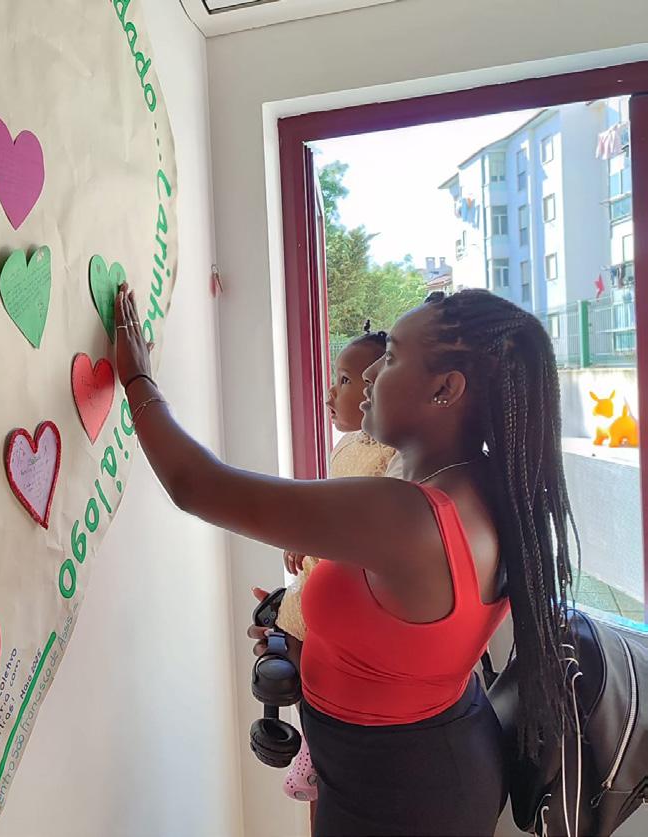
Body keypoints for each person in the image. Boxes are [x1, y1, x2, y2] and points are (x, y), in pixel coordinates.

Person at [113, 284, 575, 836]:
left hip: (403, 795)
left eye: (392, 357)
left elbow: (197, 485)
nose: (372, 374)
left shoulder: (409, 516)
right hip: (408, 763)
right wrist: (311, 646)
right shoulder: (472, 483)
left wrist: (137, 379)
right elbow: (400, 641)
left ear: (446, 389)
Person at [275, 322, 396, 803]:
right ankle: (310, 738)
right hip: (319, 571)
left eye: (345, 381)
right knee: (289, 643)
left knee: (308, 649)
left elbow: (364, 526)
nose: (331, 392)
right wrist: (301, 535)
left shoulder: (391, 456)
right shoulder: (345, 446)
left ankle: (315, 749)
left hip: (346, 586)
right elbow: (327, 505)